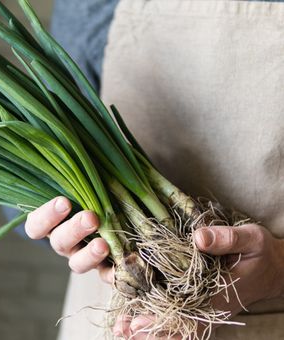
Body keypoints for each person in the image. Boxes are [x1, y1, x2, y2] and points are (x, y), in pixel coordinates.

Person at [25, 0, 284, 339]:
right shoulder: (88, 5)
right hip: (126, 312)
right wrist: (67, 226)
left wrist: (279, 267)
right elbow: (49, 130)